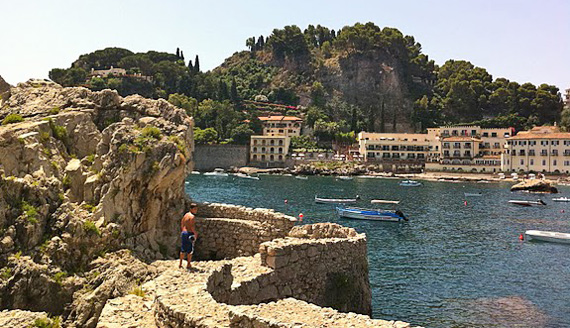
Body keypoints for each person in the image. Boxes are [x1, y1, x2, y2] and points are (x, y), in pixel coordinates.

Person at [179, 203, 198, 269]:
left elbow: (182, 223)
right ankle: (188, 264)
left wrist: (182, 230)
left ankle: (180, 264)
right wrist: (195, 234)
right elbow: (192, 227)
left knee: (183, 249)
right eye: (195, 209)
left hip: (183, 232)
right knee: (190, 250)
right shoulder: (192, 217)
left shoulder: (185, 215)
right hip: (189, 233)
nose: (196, 210)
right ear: (191, 209)